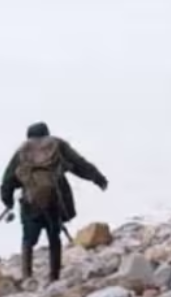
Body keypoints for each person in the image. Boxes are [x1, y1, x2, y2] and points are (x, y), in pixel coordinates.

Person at [0, 122, 108, 285]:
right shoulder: (57, 145)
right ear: (47, 133)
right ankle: (54, 276)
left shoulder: (22, 151)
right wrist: (98, 178)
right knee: (54, 237)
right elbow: (79, 164)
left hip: (30, 202)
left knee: (28, 239)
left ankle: (27, 276)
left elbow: (8, 178)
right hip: (54, 199)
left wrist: (7, 200)